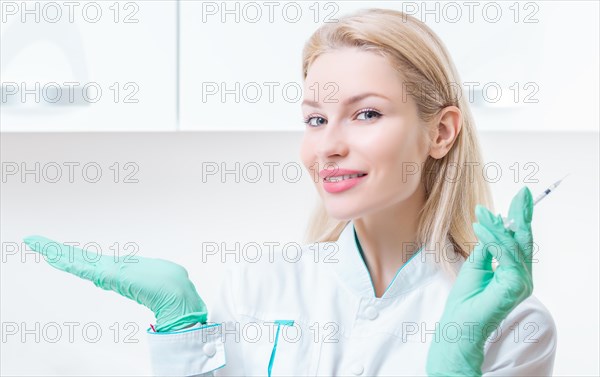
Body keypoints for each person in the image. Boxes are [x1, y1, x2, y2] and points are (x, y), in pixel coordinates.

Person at [24, 8, 557, 376]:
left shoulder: (511, 323)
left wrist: (454, 364)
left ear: (440, 132)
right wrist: (179, 325)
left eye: (366, 113)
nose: (327, 146)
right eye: (315, 118)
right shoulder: (259, 285)